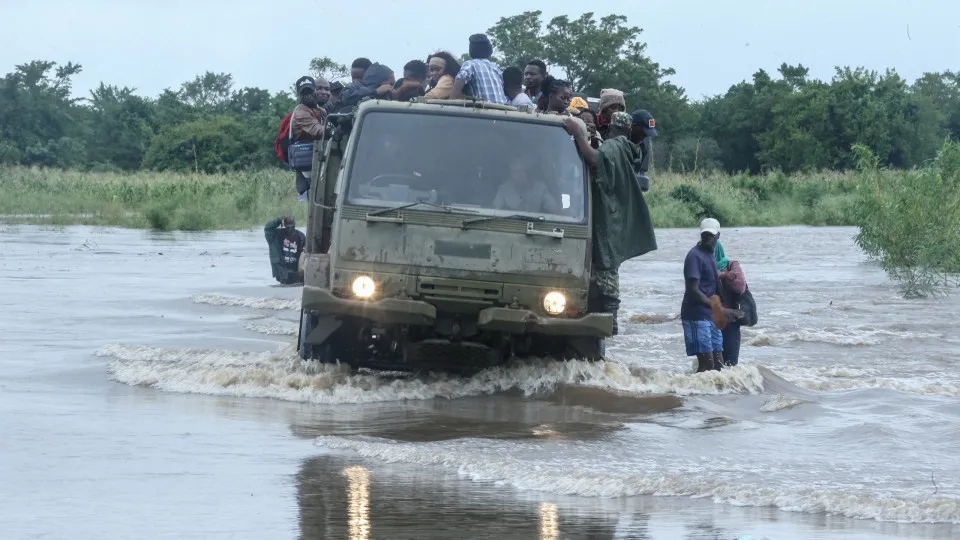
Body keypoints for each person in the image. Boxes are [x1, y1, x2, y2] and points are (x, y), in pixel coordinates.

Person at [564, 111, 658, 336]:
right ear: (630, 128)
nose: (644, 138)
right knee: (610, 263)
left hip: (606, 216)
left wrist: (578, 134)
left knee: (606, 264)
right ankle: (610, 319)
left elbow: (594, 159)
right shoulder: (627, 149)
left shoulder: (614, 146)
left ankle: (611, 319)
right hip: (614, 216)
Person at [680, 219, 742, 372]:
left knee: (719, 365)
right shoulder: (694, 256)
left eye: (711, 235)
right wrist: (721, 309)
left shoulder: (711, 254)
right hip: (696, 315)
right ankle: (692, 388)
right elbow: (694, 290)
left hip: (710, 315)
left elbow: (712, 276)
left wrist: (725, 275)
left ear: (718, 236)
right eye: (705, 235)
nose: (707, 238)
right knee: (706, 365)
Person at [291, 77, 327, 200]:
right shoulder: (300, 112)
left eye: (310, 92)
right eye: (304, 93)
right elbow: (318, 130)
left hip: (318, 156)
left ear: (315, 91)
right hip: (307, 160)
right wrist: (334, 130)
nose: (308, 96)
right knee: (315, 196)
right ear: (299, 96)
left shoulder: (320, 110)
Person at [450, 34, 509, 104]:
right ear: (490, 51)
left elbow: (454, 95)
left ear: (471, 51)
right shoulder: (496, 68)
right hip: (503, 109)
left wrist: (467, 99)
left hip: (484, 109)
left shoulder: (470, 65)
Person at [716, 241, 748, 366]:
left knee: (731, 364)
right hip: (710, 321)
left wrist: (725, 276)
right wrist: (722, 275)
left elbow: (740, 287)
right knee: (712, 364)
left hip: (730, 321)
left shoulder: (731, 265)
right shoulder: (703, 266)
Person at [492, 157, 560, 213]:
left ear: (528, 172)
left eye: (520, 171)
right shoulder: (504, 190)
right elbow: (495, 212)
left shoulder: (540, 189)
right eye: (514, 172)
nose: (516, 176)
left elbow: (555, 211)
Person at [264, 216, 306, 285]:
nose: (290, 228)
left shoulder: (301, 236)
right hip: (282, 271)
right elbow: (268, 229)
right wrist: (278, 220)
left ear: (294, 225)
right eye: (288, 226)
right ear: (284, 225)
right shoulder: (277, 235)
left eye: (292, 226)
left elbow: (307, 252)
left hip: (296, 271)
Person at [631, 109, 658, 179]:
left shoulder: (642, 149)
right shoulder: (618, 145)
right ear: (633, 126)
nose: (645, 136)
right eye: (643, 132)